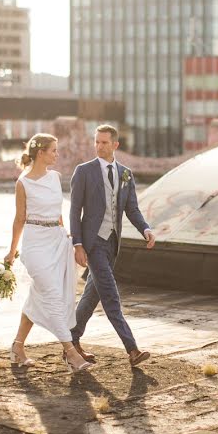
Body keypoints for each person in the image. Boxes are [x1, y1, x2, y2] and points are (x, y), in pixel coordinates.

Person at [69, 124, 156, 367]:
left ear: (115, 145)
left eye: (104, 143)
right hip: (93, 243)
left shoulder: (125, 173)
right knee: (110, 295)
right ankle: (132, 349)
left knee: (92, 294)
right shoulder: (84, 171)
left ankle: (71, 341)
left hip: (112, 244)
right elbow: (75, 210)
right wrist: (77, 244)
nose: (99, 146)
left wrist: (146, 229)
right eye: (96, 142)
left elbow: (132, 209)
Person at [4, 133, 92, 372]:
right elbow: (19, 219)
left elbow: (58, 212)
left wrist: (69, 239)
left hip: (57, 241)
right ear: (40, 152)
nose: (57, 154)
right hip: (35, 246)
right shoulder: (23, 182)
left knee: (39, 296)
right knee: (52, 295)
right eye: (54, 150)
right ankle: (71, 353)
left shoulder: (54, 178)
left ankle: (17, 347)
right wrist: (12, 252)